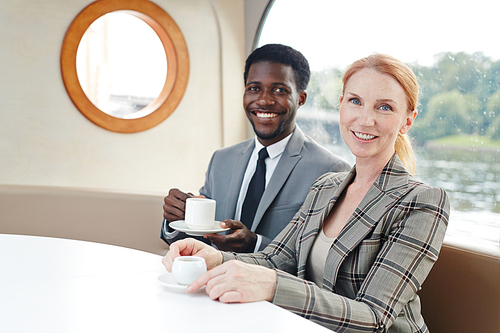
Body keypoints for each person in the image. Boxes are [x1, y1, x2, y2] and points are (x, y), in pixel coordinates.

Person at [162, 54, 450, 332]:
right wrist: (215, 259)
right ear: (341, 106)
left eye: (384, 107)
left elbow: (374, 318)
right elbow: (274, 260)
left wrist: (273, 285)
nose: (365, 120)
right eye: (355, 102)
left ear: (407, 121)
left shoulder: (423, 201)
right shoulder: (326, 186)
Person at [161, 44, 350, 253]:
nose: (263, 100)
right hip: (213, 283)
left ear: (301, 98)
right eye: (254, 88)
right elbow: (203, 241)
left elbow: (320, 258)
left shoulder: (330, 170)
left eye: (279, 90)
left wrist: (256, 244)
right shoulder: (221, 160)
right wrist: (178, 218)